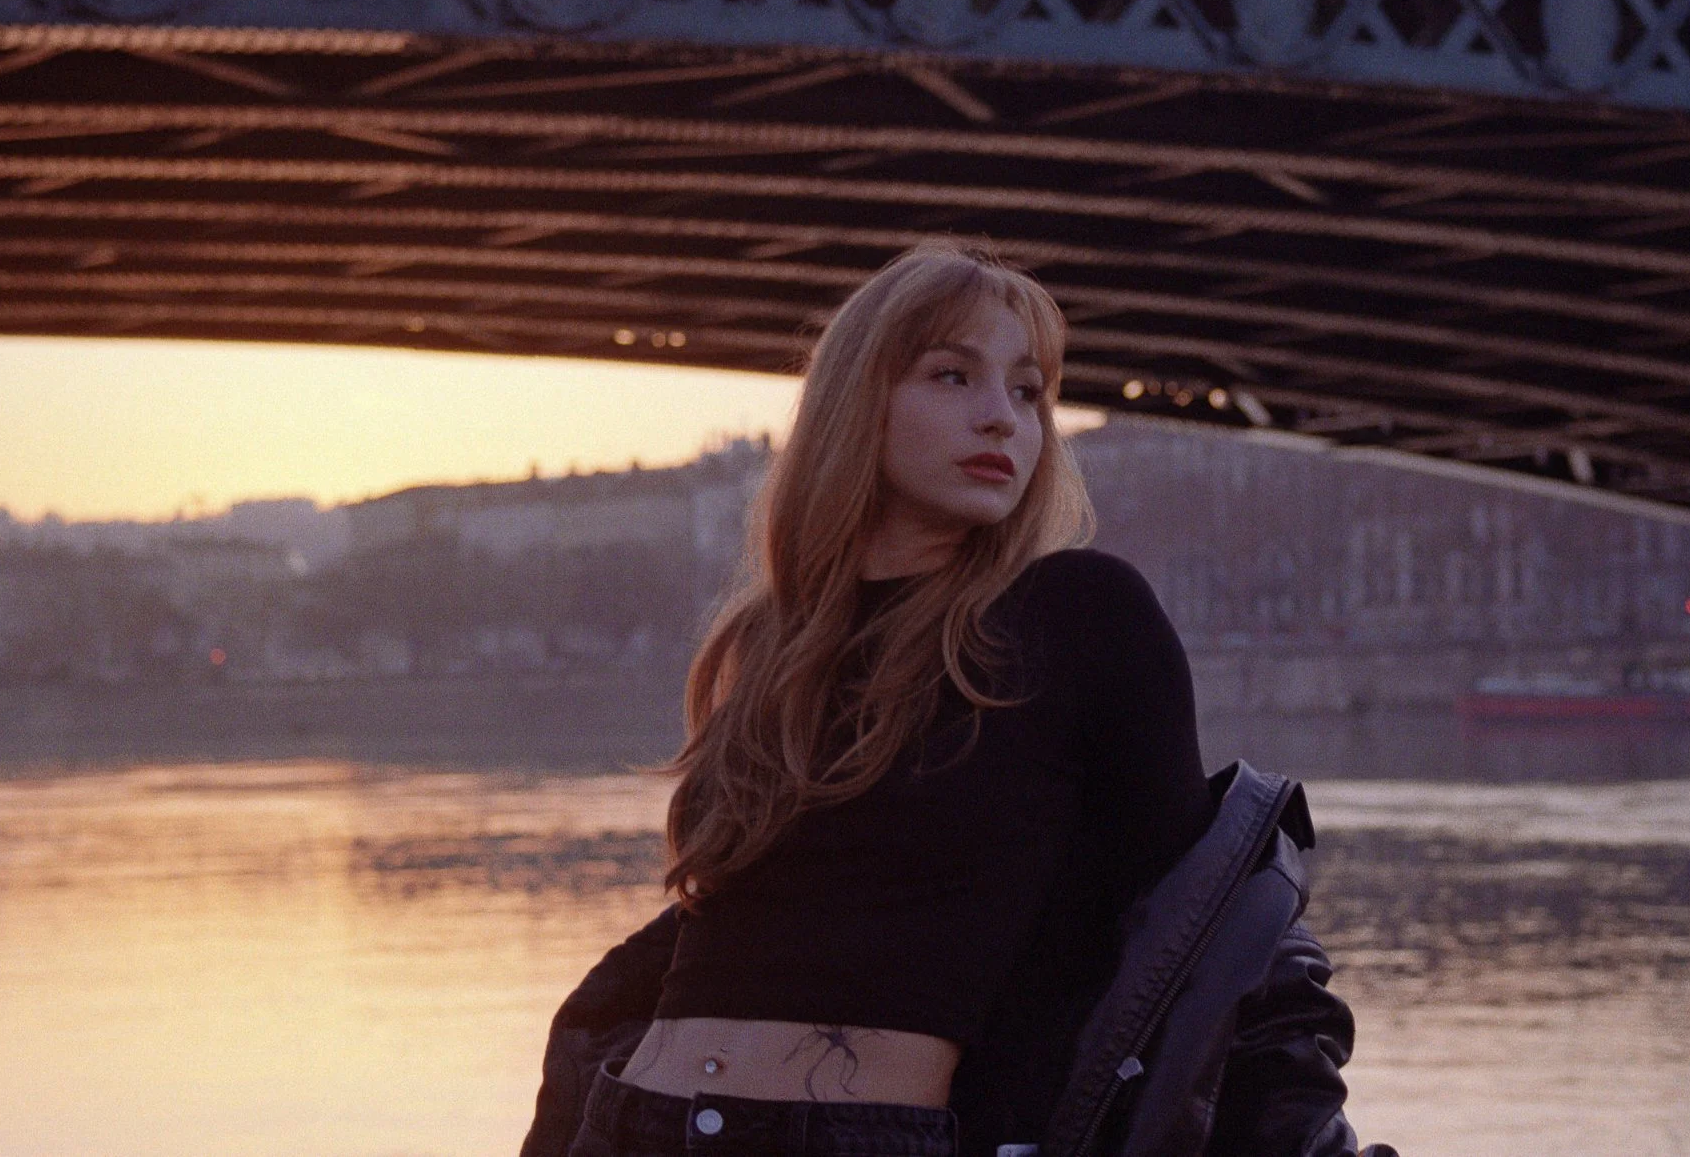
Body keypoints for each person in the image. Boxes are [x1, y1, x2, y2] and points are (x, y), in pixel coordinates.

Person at [523, 244, 1374, 1157]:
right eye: (952, 375)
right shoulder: (776, 644)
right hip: (636, 1125)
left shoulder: (1079, 615)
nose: (1000, 418)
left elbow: (1195, 932)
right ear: (860, 403)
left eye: (1028, 392)